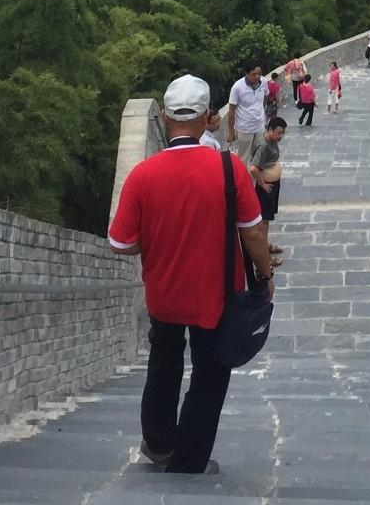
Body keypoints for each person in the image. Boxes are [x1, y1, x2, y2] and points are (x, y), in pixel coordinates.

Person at [108, 74, 277, 477]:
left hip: (164, 293)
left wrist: (159, 237)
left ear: (165, 118)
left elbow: (120, 243)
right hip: (215, 293)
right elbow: (253, 230)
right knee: (210, 370)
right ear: (206, 119)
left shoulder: (144, 175)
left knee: (163, 359)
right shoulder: (228, 167)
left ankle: (160, 443)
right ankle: (189, 460)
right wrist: (265, 274)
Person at [245, 116, 288, 259]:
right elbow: (253, 168)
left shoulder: (271, 140)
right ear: (270, 130)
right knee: (263, 222)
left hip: (273, 185)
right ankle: (264, 256)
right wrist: (263, 184)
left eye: (283, 133)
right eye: (278, 133)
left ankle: (266, 245)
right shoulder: (263, 146)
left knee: (267, 219)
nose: (281, 136)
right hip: (265, 188)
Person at [225, 64, 268, 159]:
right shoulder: (237, 87)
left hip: (260, 127)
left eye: (259, 74)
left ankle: (255, 173)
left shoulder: (264, 82)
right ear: (246, 74)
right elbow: (231, 110)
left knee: (259, 155)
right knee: (244, 157)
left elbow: (265, 97)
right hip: (244, 128)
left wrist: (261, 113)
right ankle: (243, 174)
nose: (257, 76)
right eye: (254, 74)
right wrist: (231, 132)